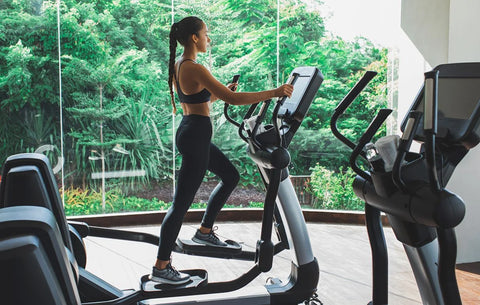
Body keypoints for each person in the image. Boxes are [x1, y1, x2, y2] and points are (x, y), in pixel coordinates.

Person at [150, 16, 294, 285]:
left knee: (230, 176)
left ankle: (204, 231)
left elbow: (203, 97)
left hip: (192, 131)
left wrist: (220, 91)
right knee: (180, 204)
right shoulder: (194, 66)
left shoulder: (180, 64)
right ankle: (161, 266)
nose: (208, 38)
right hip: (195, 135)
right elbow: (234, 100)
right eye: (205, 33)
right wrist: (274, 92)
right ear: (194, 38)